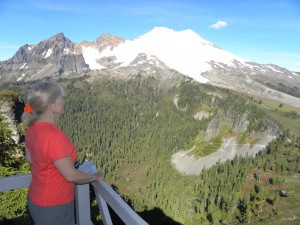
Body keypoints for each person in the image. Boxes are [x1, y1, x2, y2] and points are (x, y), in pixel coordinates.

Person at [21, 79, 104, 225]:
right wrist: (95, 176)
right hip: (55, 206)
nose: (64, 102)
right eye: (61, 99)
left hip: (36, 199)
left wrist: (50, 167)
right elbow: (71, 176)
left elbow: (30, 159)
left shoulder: (32, 128)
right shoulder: (54, 136)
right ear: (52, 106)